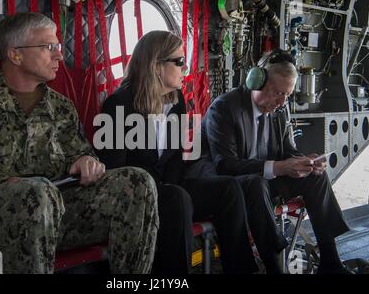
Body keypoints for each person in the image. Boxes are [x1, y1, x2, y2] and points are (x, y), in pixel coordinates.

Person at [0, 12, 159, 274]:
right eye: (49, 47)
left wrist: (86, 161)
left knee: (138, 181)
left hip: (54, 211)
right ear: (15, 55)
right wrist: (3, 186)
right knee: (34, 192)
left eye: (58, 47)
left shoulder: (61, 108)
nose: (59, 55)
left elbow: (80, 153)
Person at [96, 30, 259, 274]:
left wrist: (173, 185)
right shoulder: (117, 105)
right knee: (176, 199)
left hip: (169, 187)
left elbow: (174, 158)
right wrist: (165, 189)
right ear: (156, 65)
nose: (186, 67)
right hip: (138, 196)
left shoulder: (177, 101)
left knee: (229, 188)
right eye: (179, 61)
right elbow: (116, 170)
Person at [191, 49, 350, 274]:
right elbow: (225, 164)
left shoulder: (279, 111)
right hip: (231, 187)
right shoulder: (225, 108)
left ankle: (331, 261)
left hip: (263, 183)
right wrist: (277, 167)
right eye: (277, 93)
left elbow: (287, 151)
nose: (282, 102)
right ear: (256, 81)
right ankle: (273, 266)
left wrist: (305, 161)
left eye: (288, 95)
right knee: (257, 185)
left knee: (316, 176)